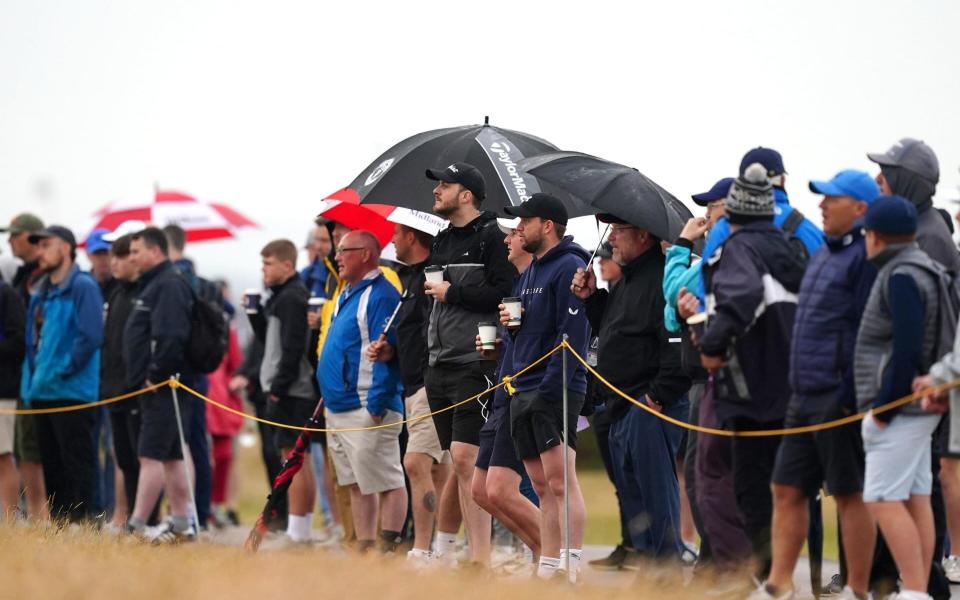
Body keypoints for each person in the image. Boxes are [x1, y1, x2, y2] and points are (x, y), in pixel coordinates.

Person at [753, 170, 881, 600]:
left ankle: (857, 590)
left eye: (832, 199)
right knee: (786, 487)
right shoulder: (826, 252)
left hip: (838, 395)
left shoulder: (866, 256)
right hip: (803, 393)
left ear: (860, 208)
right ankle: (778, 586)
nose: (822, 206)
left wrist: (849, 392)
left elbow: (868, 330)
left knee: (849, 492)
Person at [698, 165, 805, 581]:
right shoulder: (791, 250)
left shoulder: (741, 249)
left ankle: (765, 581)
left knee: (752, 490)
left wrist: (711, 346)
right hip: (795, 389)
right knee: (787, 491)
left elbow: (740, 298)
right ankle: (783, 580)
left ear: (735, 214)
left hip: (751, 392)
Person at [571, 210, 691, 569]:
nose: (610, 239)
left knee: (656, 493)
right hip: (622, 404)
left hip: (649, 404)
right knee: (634, 494)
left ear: (642, 235)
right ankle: (648, 566)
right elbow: (614, 331)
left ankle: (666, 571)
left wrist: (656, 396)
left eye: (618, 231)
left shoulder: (661, 279)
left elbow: (676, 345)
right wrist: (592, 299)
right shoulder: (627, 281)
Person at [868, 139, 959, 597]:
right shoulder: (920, 228)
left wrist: (890, 401)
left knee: (903, 494)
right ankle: (920, 584)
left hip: (916, 393)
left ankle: (925, 584)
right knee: (916, 490)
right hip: (919, 389)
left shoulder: (927, 238)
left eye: (887, 170)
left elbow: (922, 331)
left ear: (907, 179)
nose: (879, 178)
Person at [422, 162, 515, 565]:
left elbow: (505, 292)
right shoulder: (440, 240)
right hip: (438, 362)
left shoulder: (493, 238)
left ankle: (481, 559)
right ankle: (454, 551)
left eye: (444, 184)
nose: (436, 190)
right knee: (458, 463)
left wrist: (453, 291)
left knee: (466, 457)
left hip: (476, 359)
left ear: (466, 195)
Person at [496, 194, 590, 580]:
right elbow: (529, 330)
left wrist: (549, 388)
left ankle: (571, 564)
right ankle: (549, 563)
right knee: (539, 482)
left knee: (560, 479)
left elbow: (574, 335)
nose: (519, 228)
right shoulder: (531, 270)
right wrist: (511, 327)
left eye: (525, 221)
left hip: (554, 387)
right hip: (523, 386)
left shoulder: (571, 265)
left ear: (547, 225)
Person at [320, 230, 407, 553]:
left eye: (344, 250)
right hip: (339, 405)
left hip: (366, 402)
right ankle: (364, 546)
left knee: (385, 479)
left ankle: (387, 546)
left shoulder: (381, 294)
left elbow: (385, 350)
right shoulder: (347, 292)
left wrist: (378, 401)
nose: (337, 256)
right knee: (356, 482)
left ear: (366, 254)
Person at [370, 222, 450, 564]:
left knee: (416, 462)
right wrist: (391, 352)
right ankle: (440, 547)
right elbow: (414, 332)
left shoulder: (432, 276)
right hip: (415, 382)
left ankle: (422, 550)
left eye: (396, 234)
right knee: (438, 470)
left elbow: (435, 330)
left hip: (430, 384)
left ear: (412, 237)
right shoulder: (412, 278)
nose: (391, 240)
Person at [472, 217, 542, 568]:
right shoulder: (519, 284)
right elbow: (522, 342)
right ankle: (545, 555)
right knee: (480, 490)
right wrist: (499, 347)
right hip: (502, 393)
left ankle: (554, 557)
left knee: (500, 488)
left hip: (522, 395)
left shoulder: (543, 282)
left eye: (513, 233)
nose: (506, 241)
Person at [21, 225, 103, 522]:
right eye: (38, 246)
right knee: (52, 464)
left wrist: (65, 369)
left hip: (73, 390)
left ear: (66, 248)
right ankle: (60, 524)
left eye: (46, 245)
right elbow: (32, 340)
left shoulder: (83, 286)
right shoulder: (41, 291)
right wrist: (36, 376)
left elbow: (91, 335)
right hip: (42, 390)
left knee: (77, 461)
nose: (40, 252)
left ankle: (83, 521)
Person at [123, 227, 197, 542]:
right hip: (159, 386)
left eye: (136, 251)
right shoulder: (155, 283)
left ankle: (136, 525)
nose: (131, 257)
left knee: (150, 455)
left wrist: (155, 374)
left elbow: (171, 336)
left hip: (164, 386)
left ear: (155, 251)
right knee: (171, 456)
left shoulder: (168, 284)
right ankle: (181, 524)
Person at [251, 239, 318, 544]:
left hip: (293, 391)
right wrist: (254, 317)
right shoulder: (280, 297)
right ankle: (297, 529)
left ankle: (298, 531)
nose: (263, 270)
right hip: (285, 389)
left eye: (268, 263)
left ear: (287, 265)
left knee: (293, 460)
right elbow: (271, 343)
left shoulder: (292, 297)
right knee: (289, 458)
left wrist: (278, 388)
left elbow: (293, 348)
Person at [701, 148, 824, 285]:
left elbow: (705, 289)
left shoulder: (724, 227)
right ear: (782, 180)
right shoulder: (811, 231)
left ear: (741, 183)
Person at [585, 241, 634, 571]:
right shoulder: (611, 295)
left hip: (621, 397)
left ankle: (635, 543)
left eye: (606, 256)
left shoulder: (627, 293)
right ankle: (629, 542)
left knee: (630, 476)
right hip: (602, 396)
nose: (601, 262)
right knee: (619, 479)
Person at [162, 224, 215, 530]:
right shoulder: (201, 282)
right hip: (197, 371)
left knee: (183, 443)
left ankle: (188, 512)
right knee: (195, 442)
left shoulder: (176, 280)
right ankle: (200, 510)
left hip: (181, 372)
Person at [100, 232, 149, 531]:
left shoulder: (144, 292)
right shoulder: (116, 293)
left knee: (139, 456)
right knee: (122, 458)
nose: (115, 263)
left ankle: (143, 518)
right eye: (113, 256)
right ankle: (127, 515)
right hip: (114, 388)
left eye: (121, 256)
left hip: (137, 390)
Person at [1, 212, 48, 521]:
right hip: (27, 380)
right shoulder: (18, 279)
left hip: (15, 384)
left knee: (12, 455)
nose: (9, 241)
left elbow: (19, 341)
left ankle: (19, 517)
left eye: (15, 235)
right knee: (23, 452)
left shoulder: (9, 290)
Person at [206, 282, 244, 528]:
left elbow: (236, 364)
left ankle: (218, 505)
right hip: (204, 403)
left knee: (224, 457)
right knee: (202, 457)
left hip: (222, 406)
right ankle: (203, 506)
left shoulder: (226, 331)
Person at [0, 273, 25, 519]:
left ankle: (10, 518)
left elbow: (18, 342)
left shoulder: (7, 295)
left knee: (3, 455)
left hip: (3, 391)